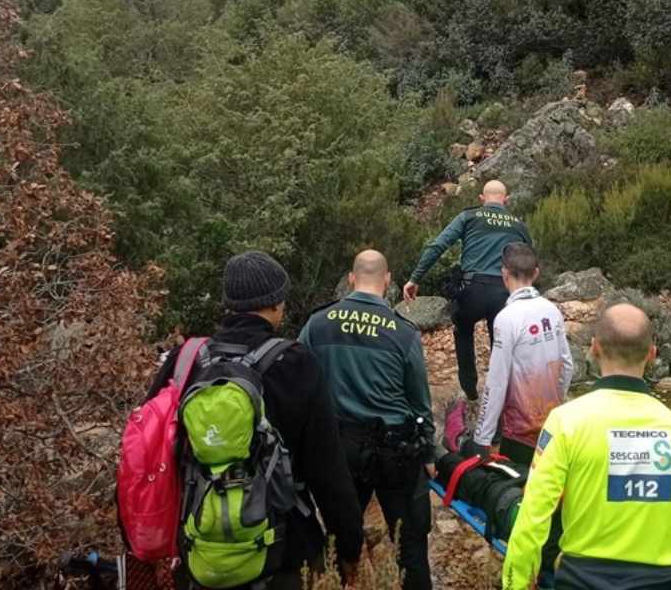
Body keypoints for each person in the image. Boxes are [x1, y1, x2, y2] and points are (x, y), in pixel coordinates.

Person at [142, 251, 364, 590]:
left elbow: (149, 449)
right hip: (285, 551)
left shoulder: (185, 360)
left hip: (201, 548)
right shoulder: (295, 363)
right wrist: (349, 548)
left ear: (229, 304)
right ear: (275, 304)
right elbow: (327, 470)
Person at [503, 303, 671, 590]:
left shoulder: (566, 422)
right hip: (661, 582)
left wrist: (515, 582)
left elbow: (534, 513)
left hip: (583, 579)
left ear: (594, 348)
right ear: (652, 354)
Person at [300, 250, 435, 590]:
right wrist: (429, 452)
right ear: (388, 280)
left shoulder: (318, 324)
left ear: (350, 279)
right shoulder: (403, 333)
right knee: (410, 545)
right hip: (396, 452)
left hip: (340, 449)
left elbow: (300, 382)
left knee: (339, 539)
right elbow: (419, 399)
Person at [403, 179, 532, 400]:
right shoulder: (518, 225)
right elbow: (529, 260)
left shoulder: (469, 216)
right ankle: (501, 395)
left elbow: (438, 246)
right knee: (499, 340)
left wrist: (415, 278)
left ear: (481, 199)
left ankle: (470, 391)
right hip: (503, 291)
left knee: (462, 329)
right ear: (506, 200)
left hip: (472, 289)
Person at [465, 242, 573, 466]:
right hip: (551, 426)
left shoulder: (507, 318)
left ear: (504, 273)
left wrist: (482, 438)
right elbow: (567, 365)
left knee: (520, 493)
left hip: (519, 432)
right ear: (536, 273)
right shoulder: (552, 310)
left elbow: (496, 382)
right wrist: (556, 405)